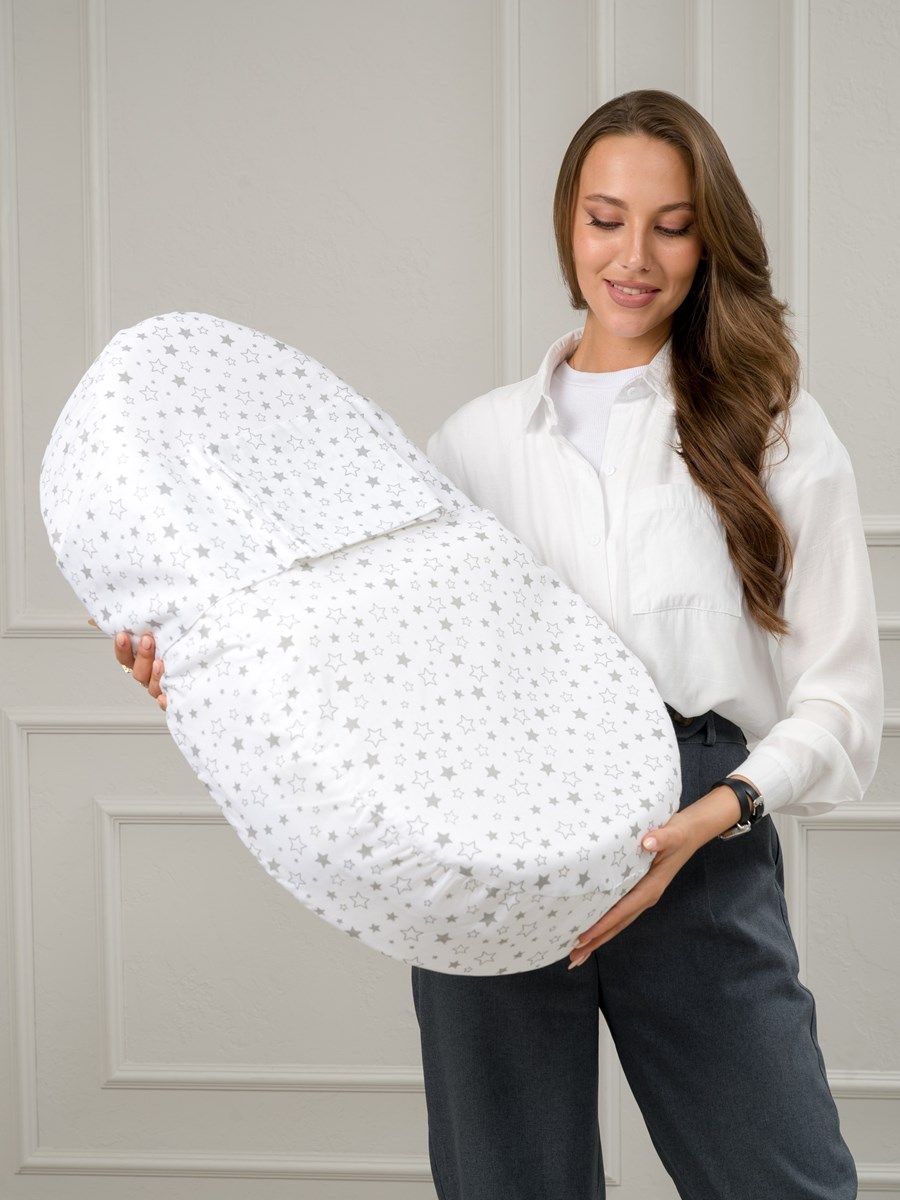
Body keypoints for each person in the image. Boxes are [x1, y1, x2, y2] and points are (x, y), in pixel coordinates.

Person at [111, 89, 882, 1200]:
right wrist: (202, 683)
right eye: (606, 219)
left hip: (698, 827)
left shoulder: (776, 431)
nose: (634, 256)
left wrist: (713, 818)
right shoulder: (469, 449)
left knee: (784, 1181)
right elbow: (371, 670)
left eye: (671, 226)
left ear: (709, 239)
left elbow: (843, 703)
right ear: (568, 223)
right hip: (486, 833)